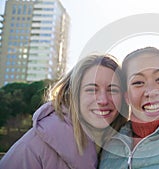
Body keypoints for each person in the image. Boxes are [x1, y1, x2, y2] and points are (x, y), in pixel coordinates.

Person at [0, 54, 129, 169]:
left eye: (112, 90)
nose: (103, 100)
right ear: (73, 95)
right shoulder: (33, 147)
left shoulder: (119, 147)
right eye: (91, 90)